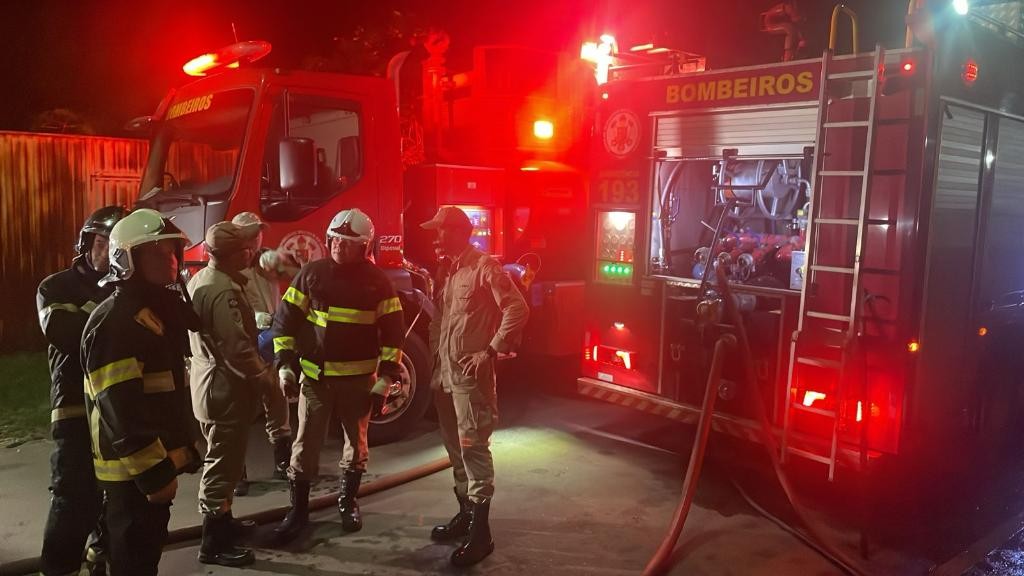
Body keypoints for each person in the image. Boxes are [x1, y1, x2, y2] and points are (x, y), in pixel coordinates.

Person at [271, 208, 405, 543]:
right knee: (305, 446)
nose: (338, 247)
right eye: (335, 240)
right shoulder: (312, 274)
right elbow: (285, 320)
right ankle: (298, 511)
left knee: (356, 447)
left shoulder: (378, 283)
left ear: (364, 247)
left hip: (359, 382)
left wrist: (386, 379)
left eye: (347, 243)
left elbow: (394, 335)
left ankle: (348, 502)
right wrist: (284, 364)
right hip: (315, 379)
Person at [81, 208, 202, 575]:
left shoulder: (150, 313)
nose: (170, 260)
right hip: (131, 473)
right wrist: (153, 473)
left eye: (171, 251)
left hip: (151, 465)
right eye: (156, 252)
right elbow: (121, 408)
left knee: (143, 556)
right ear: (127, 260)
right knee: (134, 561)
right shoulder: (118, 322)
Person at [422, 206, 529, 566]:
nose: (435, 238)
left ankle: (481, 536)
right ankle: (466, 517)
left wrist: (490, 351)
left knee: (474, 450)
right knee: (455, 450)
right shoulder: (450, 270)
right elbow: (442, 322)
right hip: (445, 377)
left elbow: (517, 309)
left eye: (439, 231)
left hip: (470, 381)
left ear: (457, 232)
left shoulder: (485, 268)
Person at [36, 205, 126, 576]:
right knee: (73, 496)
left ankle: (99, 555)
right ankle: (58, 569)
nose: (109, 252)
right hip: (74, 407)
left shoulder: (127, 289)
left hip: (119, 409)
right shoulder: (56, 287)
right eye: (104, 242)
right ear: (87, 242)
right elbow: (68, 335)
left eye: (117, 245)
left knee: (119, 495)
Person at [187, 220, 274, 566]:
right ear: (231, 254)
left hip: (209, 383)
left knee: (226, 461)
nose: (249, 252)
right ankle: (213, 543)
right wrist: (262, 377)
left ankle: (225, 523)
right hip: (224, 389)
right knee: (221, 466)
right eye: (243, 249)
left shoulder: (202, 280)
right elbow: (237, 346)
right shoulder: (223, 291)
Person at [228, 211, 293, 496]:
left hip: (270, 343)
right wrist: (257, 319)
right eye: (250, 234)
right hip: (244, 347)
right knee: (239, 411)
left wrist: (284, 261)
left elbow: (297, 274)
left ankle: (283, 463)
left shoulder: (266, 260)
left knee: (278, 403)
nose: (256, 239)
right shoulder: (228, 268)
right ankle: (237, 472)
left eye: (258, 233)